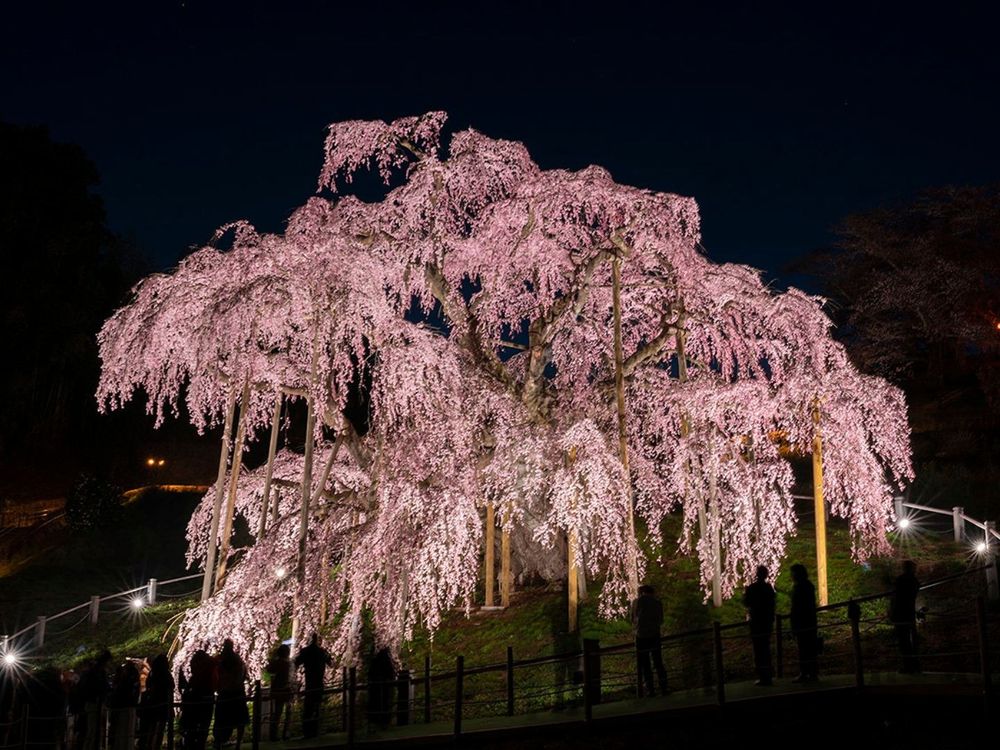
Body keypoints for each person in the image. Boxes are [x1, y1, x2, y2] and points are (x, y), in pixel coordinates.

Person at [630, 584, 668, 697]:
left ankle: (650, 690)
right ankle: (664, 687)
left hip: (641, 636)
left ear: (641, 592)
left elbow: (632, 619)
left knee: (644, 664)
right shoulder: (657, 603)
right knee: (658, 662)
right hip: (655, 635)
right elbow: (661, 620)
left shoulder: (636, 602)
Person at [743, 565, 776, 686]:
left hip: (757, 622)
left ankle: (763, 676)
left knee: (758, 649)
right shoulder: (769, 588)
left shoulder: (753, 588)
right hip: (766, 622)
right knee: (765, 649)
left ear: (757, 574)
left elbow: (746, 602)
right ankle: (768, 675)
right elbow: (772, 604)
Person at [213, 639, 249, 750]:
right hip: (237, 692)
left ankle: (219, 742)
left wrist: (220, 686)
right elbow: (243, 675)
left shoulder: (220, 660)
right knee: (239, 719)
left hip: (225, 693)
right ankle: (237, 743)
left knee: (221, 719)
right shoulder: (237, 660)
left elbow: (217, 676)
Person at [294, 633, 332, 738]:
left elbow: (296, 663)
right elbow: (331, 663)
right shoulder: (322, 652)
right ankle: (315, 730)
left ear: (310, 640)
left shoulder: (305, 651)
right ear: (318, 640)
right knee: (317, 707)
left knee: (308, 707)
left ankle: (307, 731)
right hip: (319, 682)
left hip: (309, 682)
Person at [178, 649, 216, 750]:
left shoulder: (196, 679)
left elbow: (188, 693)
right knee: (202, 729)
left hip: (195, 705)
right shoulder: (208, 675)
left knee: (193, 730)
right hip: (206, 702)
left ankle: (191, 744)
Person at [889, 559, 922, 674]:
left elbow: (895, 598)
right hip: (909, 613)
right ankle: (915, 665)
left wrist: (891, 612)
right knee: (911, 640)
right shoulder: (914, 581)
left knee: (904, 641)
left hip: (900, 614)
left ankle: (908, 666)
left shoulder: (900, 580)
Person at [138, 653, 174, 750]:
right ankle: (156, 746)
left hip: (153, 704)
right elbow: (171, 687)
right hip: (163, 705)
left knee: (152, 728)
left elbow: (148, 686)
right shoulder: (167, 675)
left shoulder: (153, 673)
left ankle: (149, 745)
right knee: (159, 730)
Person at [789, 563, 819, 682]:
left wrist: (794, 622)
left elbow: (797, 606)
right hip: (810, 620)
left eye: (792, 573)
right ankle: (812, 673)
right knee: (810, 648)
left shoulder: (800, 587)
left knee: (804, 648)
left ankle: (805, 673)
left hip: (803, 621)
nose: (791, 575)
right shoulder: (808, 585)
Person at [265, 644, 293, 742]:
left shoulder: (278, 663)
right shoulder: (288, 663)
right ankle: (286, 733)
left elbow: (268, 669)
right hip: (287, 690)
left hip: (278, 690)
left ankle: (274, 735)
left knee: (277, 713)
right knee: (288, 712)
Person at [366, 647, 396, 729]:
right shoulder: (387, 663)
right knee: (384, 705)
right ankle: (384, 723)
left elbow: (370, 675)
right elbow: (391, 675)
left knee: (376, 706)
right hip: (384, 689)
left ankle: (375, 723)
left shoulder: (375, 662)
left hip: (375, 690)